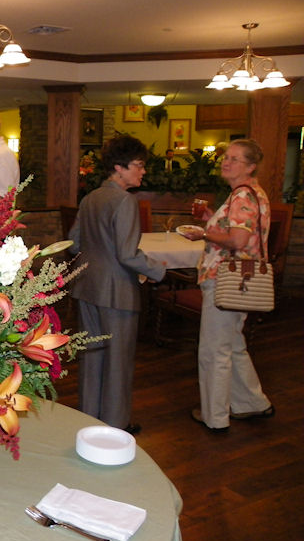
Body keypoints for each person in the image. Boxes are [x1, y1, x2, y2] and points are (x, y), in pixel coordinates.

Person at [69, 135, 166, 433]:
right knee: (118, 362)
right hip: (117, 292)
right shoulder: (125, 201)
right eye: (138, 165)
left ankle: (88, 420)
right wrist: (157, 269)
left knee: (92, 357)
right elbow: (127, 254)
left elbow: (74, 243)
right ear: (119, 167)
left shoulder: (90, 198)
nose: (142, 171)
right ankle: (115, 425)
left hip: (87, 286)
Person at [178, 138, 273, 432]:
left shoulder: (242, 196)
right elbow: (241, 232)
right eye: (226, 157)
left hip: (225, 280)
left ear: (251, 166)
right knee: (232, 344)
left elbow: (238, 240)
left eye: (234, 159)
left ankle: (215, 417)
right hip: (241, 281)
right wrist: (211, 219)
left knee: (214, 350)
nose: (226, 162)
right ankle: (252, 402)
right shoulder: (253, 193)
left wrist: (203, 234)